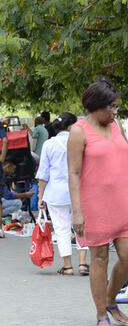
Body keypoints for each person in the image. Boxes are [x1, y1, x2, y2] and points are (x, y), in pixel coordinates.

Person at [67, 78, 128, 326]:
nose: (115, 111)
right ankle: (100, 313)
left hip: (122, 201)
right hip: (93, 205)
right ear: (96, 105)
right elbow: (73, 173)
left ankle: (110, 299)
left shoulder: (116, 126)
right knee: (100, 258)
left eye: (116, 107)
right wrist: (77, 212)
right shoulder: (78, 131)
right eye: (112, 107)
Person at [36, 112, 89, 276]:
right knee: (81, 227)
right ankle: (82, 264)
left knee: (61, 228)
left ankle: (67, 266)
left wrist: (40, 197)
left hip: (55, 193)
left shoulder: (49, 144)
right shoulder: (82, 142)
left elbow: (43, 173)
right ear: (72, 126)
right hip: (79, 191)